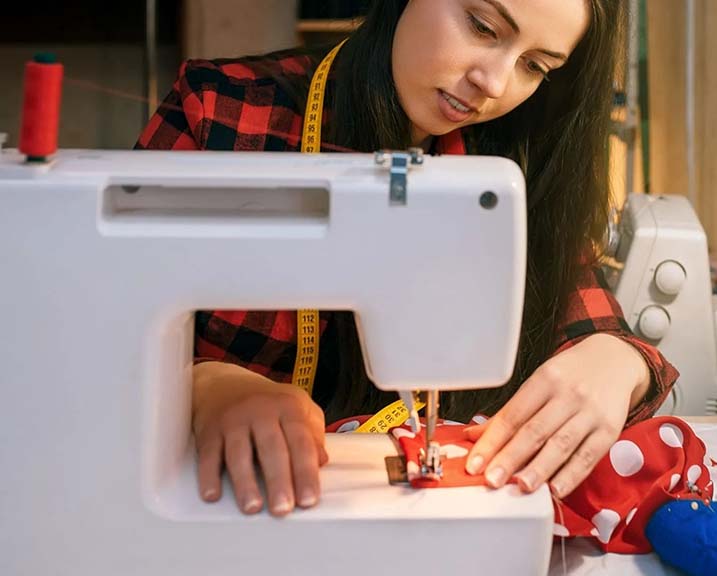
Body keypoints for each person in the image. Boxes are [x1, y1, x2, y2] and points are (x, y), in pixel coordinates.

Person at [137, 0, 678, 517]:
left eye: (534, 66)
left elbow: (595, 328)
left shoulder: (515, 163)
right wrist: (202, 384)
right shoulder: (220, 116)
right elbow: (91, 330)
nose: (494, 83)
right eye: (483, 28)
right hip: (216, 505)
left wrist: (617, 361)